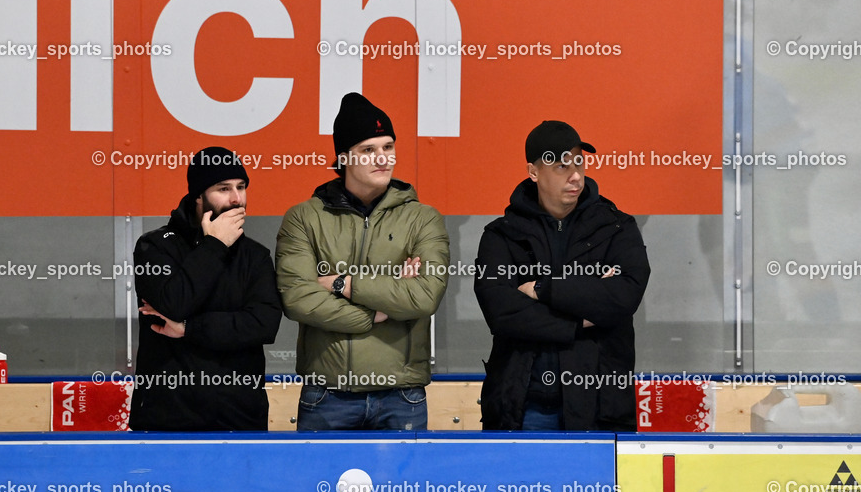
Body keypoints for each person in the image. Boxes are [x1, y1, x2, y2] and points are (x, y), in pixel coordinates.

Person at [276, 92, 450, 430]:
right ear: (343, 158)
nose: (382, 158)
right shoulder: (304, 218)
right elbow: (297, 299)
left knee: (401, 486)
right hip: (327, 395)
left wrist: (342, 284)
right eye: (368, 150)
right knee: (320, 484)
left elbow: (425, 296)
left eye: (388, 147)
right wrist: (378, 311)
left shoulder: (424, 218)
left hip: (402, 396)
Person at [474, 120, 650, 431]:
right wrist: (580, 317)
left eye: (579, 162)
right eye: (560, 166)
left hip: (599, 407)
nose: (575, 175)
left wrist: (542, 290)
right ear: (533, 172)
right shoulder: (501, 235)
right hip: (521, 407)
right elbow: (502, 312)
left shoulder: (617, 228)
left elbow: (623, 296)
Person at [129, 146, 282, 431]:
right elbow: (173, 303)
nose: (237, 199)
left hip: (240, 418)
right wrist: (215, 246)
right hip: (167, 418)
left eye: (241, 187)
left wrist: (189, 328)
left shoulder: (255, 256)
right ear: (198, 196)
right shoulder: (155, 246)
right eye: (223, 189)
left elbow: (264, 325)